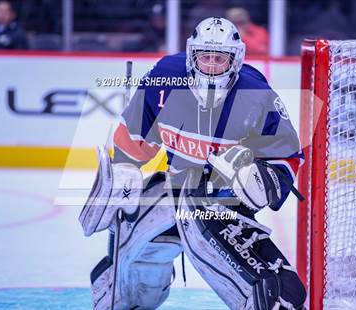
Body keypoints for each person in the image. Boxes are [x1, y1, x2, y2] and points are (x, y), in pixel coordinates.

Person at [79, 17, 306, 310]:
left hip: (226, 208)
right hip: (175, 192)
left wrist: (260, 181)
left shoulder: (257, 94)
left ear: (235, 60)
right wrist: (124, 172)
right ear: (191, 55)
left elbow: (287, 155)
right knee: (129, 275)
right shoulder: (165, 77)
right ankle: (130, 296)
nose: (211, 65)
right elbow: (133, 139)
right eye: (205, 56)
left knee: (274, 295)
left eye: (220, 58)